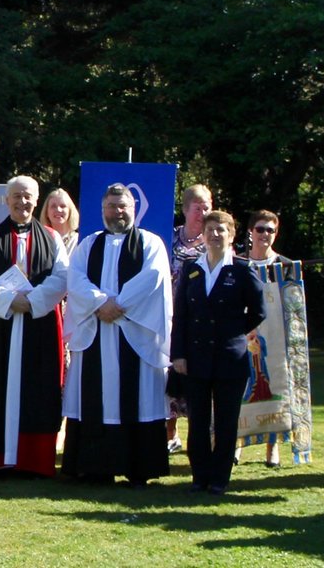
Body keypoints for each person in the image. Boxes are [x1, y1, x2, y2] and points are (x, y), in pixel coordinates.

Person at [62, 183, 174, 486]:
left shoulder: (150, 243)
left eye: (122, 206)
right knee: (93, 399)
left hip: (134, 336)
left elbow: (153, 277)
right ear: (102, 210)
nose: (117, 212)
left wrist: (118, 305)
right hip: (96, 332)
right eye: (111, 206)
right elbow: (76, 278)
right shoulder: (88, 244)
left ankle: (139, 470)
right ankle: (95, 468)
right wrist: (100, 303)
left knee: (135, 400)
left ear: (134, 209)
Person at [0, 175, 70, 476]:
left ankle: (32, 460)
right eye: (16, 196)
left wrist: (34, 301)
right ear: (6, 200)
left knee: (39, 388)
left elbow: (62, 276)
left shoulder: (51, 237)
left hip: (39, 323)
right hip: (1, 323)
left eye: (28, 197)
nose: (22, 202)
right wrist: (9, 301)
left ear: (37, 201)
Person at [170, 210, 265, 495]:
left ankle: (220, 479)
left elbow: (259, 310)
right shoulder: (192, 269)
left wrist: (234, 332)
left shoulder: (241, 269)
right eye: (210, 229)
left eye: (221, 230)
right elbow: (181, 314)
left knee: (225, 422)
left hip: (229, 357)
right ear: (204, 234)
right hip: (196, 357)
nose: (214, 235)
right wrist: (179, 354)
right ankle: (199, 476)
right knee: (197, 422)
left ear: (232, 235)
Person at [164, 183, 211, 453]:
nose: (203, 213)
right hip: (169, 318)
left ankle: (199, 435)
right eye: (198, 208)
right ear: (185, 209)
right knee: (169, 375)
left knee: (196, 377)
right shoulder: (169, 238)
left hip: (199, 323)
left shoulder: (214, 242)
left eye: (207, 207)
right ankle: (170, 433)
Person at [244, 209, 292, 468]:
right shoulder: (237, 263)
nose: (264, 234)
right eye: (260, 229)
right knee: (239, 390)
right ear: (251, 231)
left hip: (274, 340)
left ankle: (272, 449)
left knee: (274, 388)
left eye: (270, 230)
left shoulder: (285, 267)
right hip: (242, 338)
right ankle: (236, 444)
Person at [40, 188, 82, 258]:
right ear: (46, 212)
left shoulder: (79, 241)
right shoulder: (40, 240)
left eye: (63, 206)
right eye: (53, 206)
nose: (58, 209)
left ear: (70, 211)